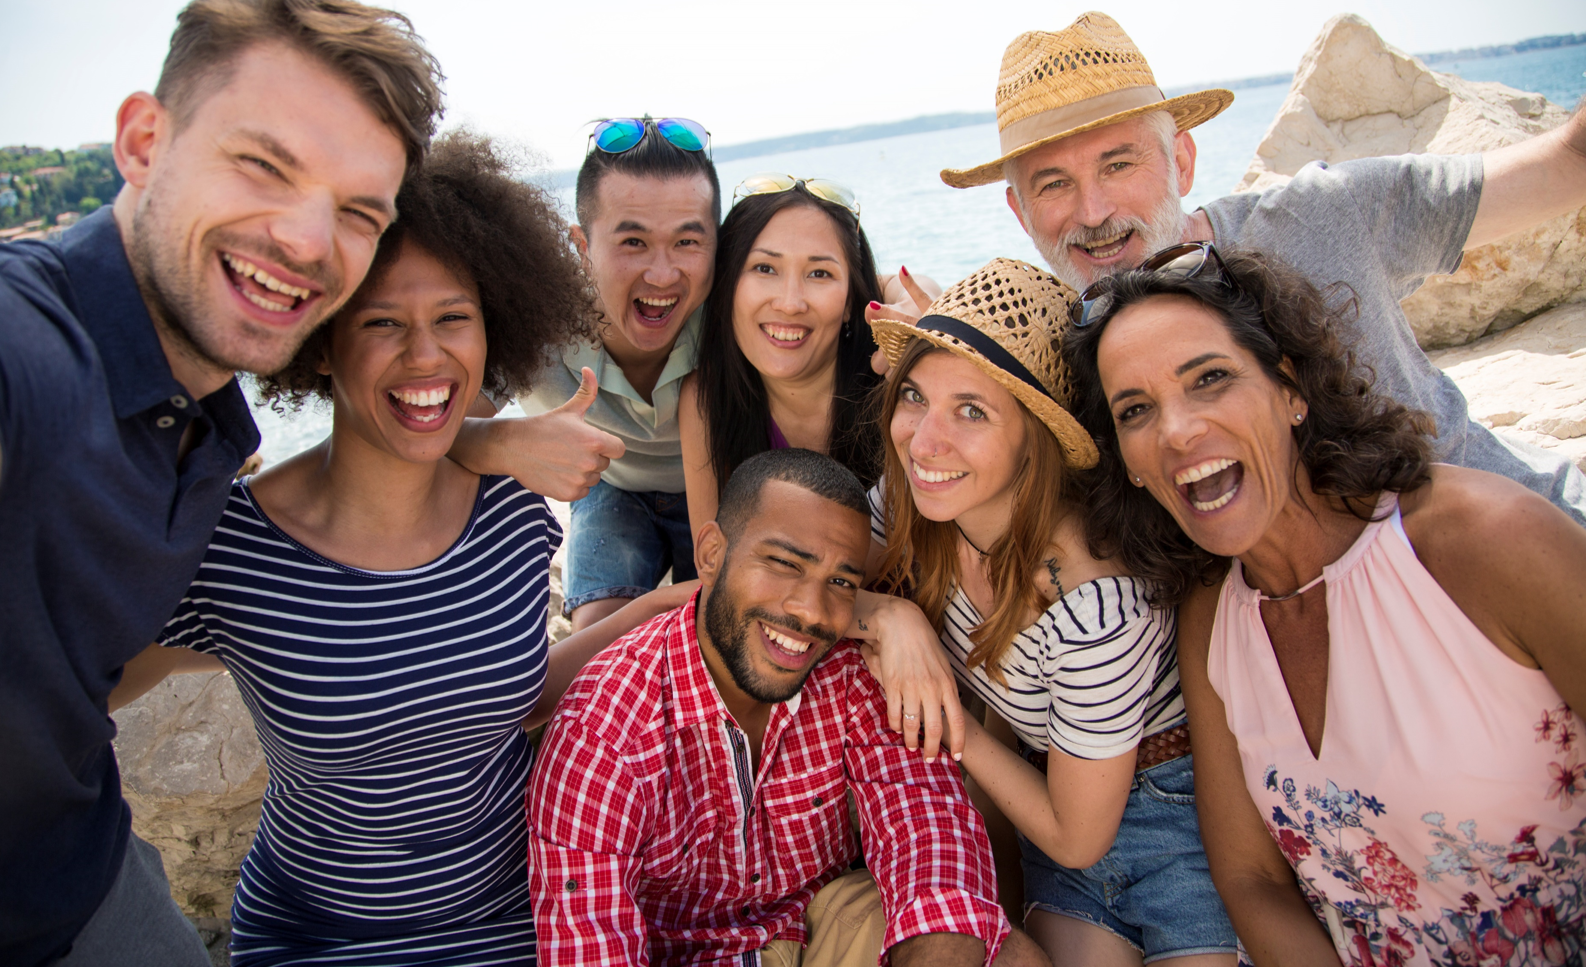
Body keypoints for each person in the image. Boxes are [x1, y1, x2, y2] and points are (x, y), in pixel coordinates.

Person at [106, 131, 693, 966]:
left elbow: (509, 699)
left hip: (518, 924)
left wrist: (655, 611)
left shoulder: (515, 512)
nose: (426, 355)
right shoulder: (235, 546)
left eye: (454, 317)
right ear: (319, 340)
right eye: (382, 322)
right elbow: (72, 686)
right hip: (316, 941)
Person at [0, 2, 443, 964]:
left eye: (359, 212)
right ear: (143, 142)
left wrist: (474, 441)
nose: (310, 238)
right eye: (264, 165)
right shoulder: (29, 354)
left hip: (87, 878)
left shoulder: (203, 425)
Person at [1062, 244, 1586, 965]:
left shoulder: (1486, 540)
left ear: (1291, 388)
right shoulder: (1214, 615)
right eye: (1136, 410)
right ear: (1129, 462)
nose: (1178, 430)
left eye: (1210, 379)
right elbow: (1252, 881)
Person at [867, 11, 1586, 527]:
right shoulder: (1066, 352)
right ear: (1021, 214)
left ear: (1181, 160)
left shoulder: (1321, 217)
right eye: (1053, 184)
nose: (1092, 211)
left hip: (1528, 536)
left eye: (1119, 164)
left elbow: (1562, 167)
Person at [525, 448, 1048, 967]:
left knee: (1004, 955)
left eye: (842, 582)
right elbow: (589, 944)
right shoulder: (604, 732)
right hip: (682, 955)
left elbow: (925, 825)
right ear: (710, 554)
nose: (811, 611)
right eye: (782, 563)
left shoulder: (850, 669)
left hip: (815, 925)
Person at [859, 259, 1236, 967]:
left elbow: (1077, 833)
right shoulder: (919, 498)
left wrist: (952, 719)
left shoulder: (1093, 607)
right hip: (1048, 796)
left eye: (972, 410)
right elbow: (818, 579)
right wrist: (889, 615)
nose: (925, 440)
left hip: (1174, 824)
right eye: (915, 396)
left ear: (1035, 437)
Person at [680, 174, 941, 532]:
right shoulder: (707, 400)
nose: (789, 303)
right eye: (764, 268)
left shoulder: (890, 382)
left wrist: (926, 300)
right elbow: (713, 567)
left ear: (850, 301)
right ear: (727, 286)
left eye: (819, 273)